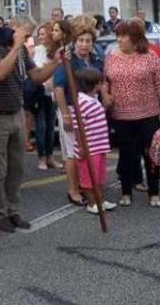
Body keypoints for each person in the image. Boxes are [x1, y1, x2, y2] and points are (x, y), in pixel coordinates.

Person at [0, 17, 59, 233]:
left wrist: (56, 63)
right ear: (12, 30)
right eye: (25, 33)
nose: (28, 38)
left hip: (16, 111)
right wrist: (15, 45)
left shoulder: (22, 50)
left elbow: (36, 77)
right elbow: (0, 73)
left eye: (30, 34)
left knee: (17, 166)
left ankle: (13, 210)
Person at [103, 19, 160, 207]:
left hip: (148, 114)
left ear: (135, 38)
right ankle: (126, 192)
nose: (119, 39)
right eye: (118, 35)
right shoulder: (111, 57)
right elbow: (105, 81)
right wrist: (105, 94)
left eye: (124, 36)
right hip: (121, 115)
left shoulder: (150, 57)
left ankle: (154, 192)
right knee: (126, 154)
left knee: (151, 154)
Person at [53, 24, 103, 206]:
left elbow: (100, 82)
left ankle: (86, 186)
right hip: (72, 109)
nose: (84, 44)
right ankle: (73, 190)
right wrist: (65, 115)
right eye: (80, 41)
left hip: (90, 110)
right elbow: (58, 88)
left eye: (88, 41)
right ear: (74, 43)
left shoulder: (95, 59)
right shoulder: (68, 61)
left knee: (90, 150)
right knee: (73, 153)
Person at [70, 67, 117, 214]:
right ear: (95, 84)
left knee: (99, 175)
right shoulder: (81, 102)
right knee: (88, 176)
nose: (102, 85)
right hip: (90, 147)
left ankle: (100, 200)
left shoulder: (93, 99)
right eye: (101, 82)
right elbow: (78, 127)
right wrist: (82, 146)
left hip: (99, 145)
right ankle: (92, 203)